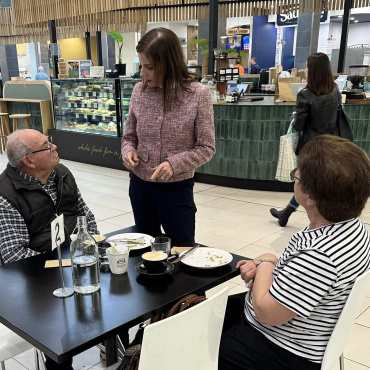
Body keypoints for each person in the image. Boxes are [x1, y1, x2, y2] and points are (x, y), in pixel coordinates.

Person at [219, 134, 370, 370]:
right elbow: (302, 272)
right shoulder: (349, 227)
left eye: (296, 176)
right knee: (203, 313)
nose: (294, 180)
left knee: (190, 342)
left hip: (284, 348)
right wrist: (267, 265)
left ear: (310, 198)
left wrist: (265, 263)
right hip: (302, 328)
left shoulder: (322, 254)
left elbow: (267, 313)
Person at [0, 129, 99, 370]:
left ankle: (124, 352)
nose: (54, 147)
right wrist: (64, 265)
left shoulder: (62, 174)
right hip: (36, 280)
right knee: (58, 327)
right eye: (47, 146)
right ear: (29, 161)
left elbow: (87, 219)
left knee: (117, 296)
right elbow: (14, 256)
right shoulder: (5, 196)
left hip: (74, 262)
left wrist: (89, 249)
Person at [121, 27, 215, 246]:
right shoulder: (139, 91)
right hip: (140, 186)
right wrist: (128, 151)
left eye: (150, 67)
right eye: (141, 65)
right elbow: (129, 136)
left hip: (176, 189)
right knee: (144, 246)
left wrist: (174, 164)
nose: (142, 73)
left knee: (182, 249)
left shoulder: (198, 95)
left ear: (169, 63)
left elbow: (206, 147)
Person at [270, 52, 341, 227]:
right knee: (318, 181)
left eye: (307, 66)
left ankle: (290, 214)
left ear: (313, 70)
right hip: (332, 144)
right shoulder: (335, 90)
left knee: (306, 182)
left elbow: (299, 126)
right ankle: (287, 213)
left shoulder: (306, 94)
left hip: (311, 146)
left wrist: (295, 117)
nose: (305, 69)